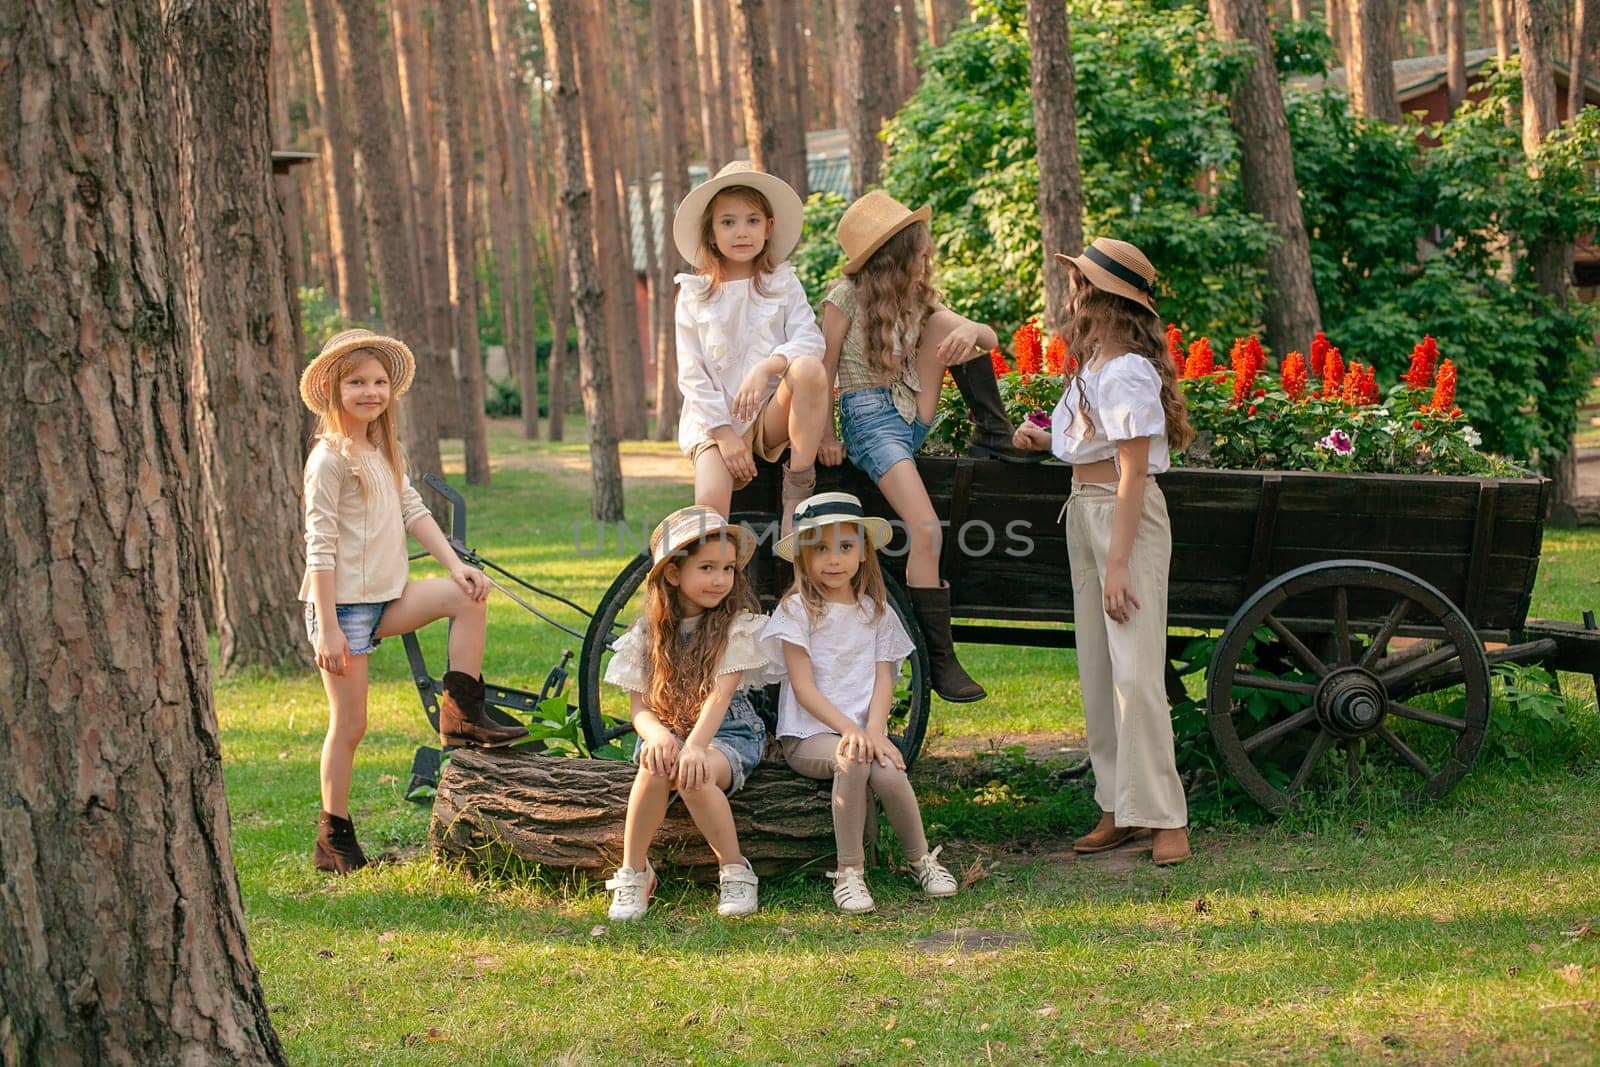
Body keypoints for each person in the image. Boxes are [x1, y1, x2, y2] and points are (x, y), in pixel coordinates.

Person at [299, 329, 527, 875]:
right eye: (357, 382)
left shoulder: (382, 449)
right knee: (350, 725)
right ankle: (334, 838)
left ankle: (462, 713)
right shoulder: (328, 460)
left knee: (468, 596)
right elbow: (320, 546)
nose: (370, 391)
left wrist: (455, 565)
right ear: (333, 387)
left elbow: (413, 511)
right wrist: (328, 628)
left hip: (387, 597)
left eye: (379, 382)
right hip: (343, 609)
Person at [1013, 238, 1193, 866]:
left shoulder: (1130, 372)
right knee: (1098, 670)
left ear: (1103, 298)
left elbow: (1133, 474)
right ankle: (1117, 804)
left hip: (1125, 521)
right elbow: (1089, 445)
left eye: (1079, 283)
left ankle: (1167, 817)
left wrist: (1118, 564)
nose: (1071, 293)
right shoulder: (1091, 366)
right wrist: (1043, 438)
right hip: (1084, 513)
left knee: (1137, 673)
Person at [822, 191, 1032, 703]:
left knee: (953, 326)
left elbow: (989, 338)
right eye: (918, 254)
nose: (925, 262)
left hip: (910, 411)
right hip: (869, 420)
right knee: (925, 531)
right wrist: (826, 434)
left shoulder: (918, 302)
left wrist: (967, 331)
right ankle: (939, 658)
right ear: (894, 256)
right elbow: (822, 366)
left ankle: (994, 431)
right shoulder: (843, 298)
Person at [762, 492, 960, 914]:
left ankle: (921, 860)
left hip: (864, 733)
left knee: (887, 770)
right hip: (810, 736)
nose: (834, 560)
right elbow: (803, 688)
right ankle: (849, 871)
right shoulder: (797, 611)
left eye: (846, 547)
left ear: (863, 553)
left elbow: (884, 678)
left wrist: (873, 730)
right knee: (852, 758)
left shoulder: (876, 612)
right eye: (820, 549)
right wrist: (851, 732)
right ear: (803, 558)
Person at [602, 505, 771, 920]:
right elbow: (640, 709)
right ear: (674, 574)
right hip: (670, 730)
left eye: (728, 569)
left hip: (728, 734)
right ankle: (635, 871)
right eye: (708, 568)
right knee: (655, 766)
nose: (721, 580)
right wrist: (657, 736)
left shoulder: (736, 626)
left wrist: (695, 748)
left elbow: (719, 695)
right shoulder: (649, 634)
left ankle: (734, 869)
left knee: (692, 776)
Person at [672, 161, 833, 531]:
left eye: (752, 220)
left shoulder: (783, 283)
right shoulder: (694, 295)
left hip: (770, 414)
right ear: (711, 233)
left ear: (768, 227)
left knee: (807, 368)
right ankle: (719, 580)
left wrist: (768, 366)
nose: (740, 232)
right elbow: (692, 376)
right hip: (715, 422)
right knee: (710, 515)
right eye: (727, 222)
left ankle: (797, 491)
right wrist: (726, 437)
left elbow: (810, 339)